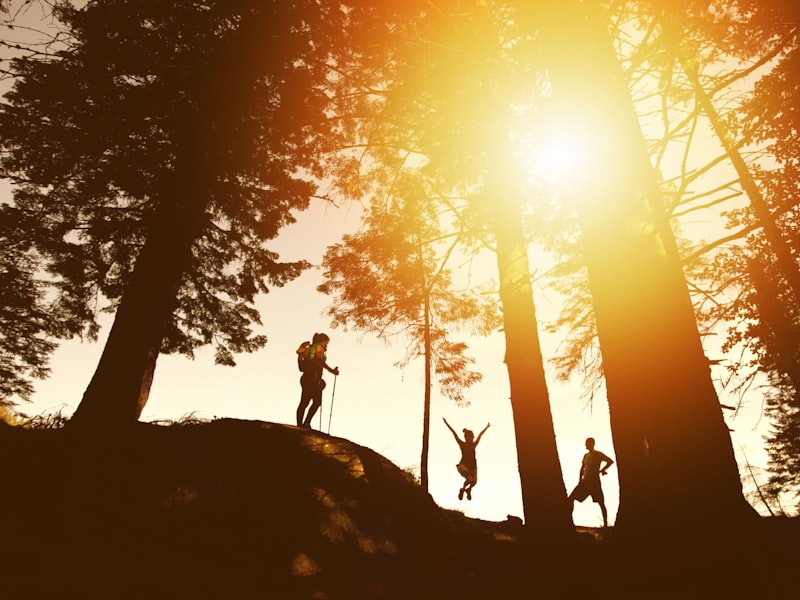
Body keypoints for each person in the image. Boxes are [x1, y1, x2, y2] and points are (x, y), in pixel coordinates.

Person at [568, 437, 614, 527]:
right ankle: (570, 520)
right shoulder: (585, 456)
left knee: (601, 502)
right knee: (571, 498)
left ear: (591, 444)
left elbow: (610, 461)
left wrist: (602, 470)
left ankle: (605, 524)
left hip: (595, 483)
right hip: (585, 482)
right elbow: (582, 468)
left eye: (587, 443)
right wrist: (580, 479)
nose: (585, 445)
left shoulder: (598, 454)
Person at [296, 332, 339, 428]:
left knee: (305, 402)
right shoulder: (318, 347)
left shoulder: (311, 348)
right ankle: (306, 423)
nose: (326, 345)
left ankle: (300, 424)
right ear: (323, 341)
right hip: (313, 378)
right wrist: (332, 371)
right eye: (326, 342)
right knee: (315, 402)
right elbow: (319, 361)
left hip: (307, 377)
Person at [443, 417, 490, 501]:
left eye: (472, 438)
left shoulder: (474, 444)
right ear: (466, 438)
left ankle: (468, 490)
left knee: (474, 482)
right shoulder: (462, 444)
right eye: (470, 438)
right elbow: (454, 433)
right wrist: (447, 424)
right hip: (464, 465)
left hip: (473, 467)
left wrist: (486, 427)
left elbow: (480, 435)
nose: (471, 439)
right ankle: (463, 489)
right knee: (469, 479)